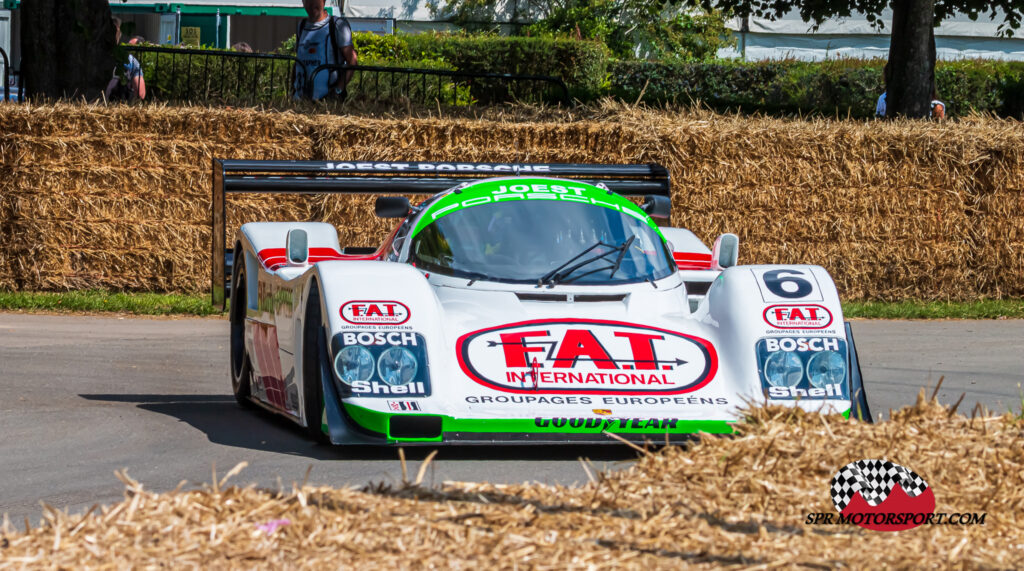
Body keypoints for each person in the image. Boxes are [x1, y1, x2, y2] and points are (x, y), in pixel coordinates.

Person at [293, 0, 358, 100]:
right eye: (307, 1)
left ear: (323, 1)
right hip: (300, 101)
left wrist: (338, 90)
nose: (311, 4)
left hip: (326, 104)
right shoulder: (301, 26)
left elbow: (352, 60)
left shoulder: (337, 25)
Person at [105, 17, 146, 101]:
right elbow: (140, 95)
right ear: (119, 35)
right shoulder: (131, 61)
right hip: (118, 107)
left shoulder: (85, 55)